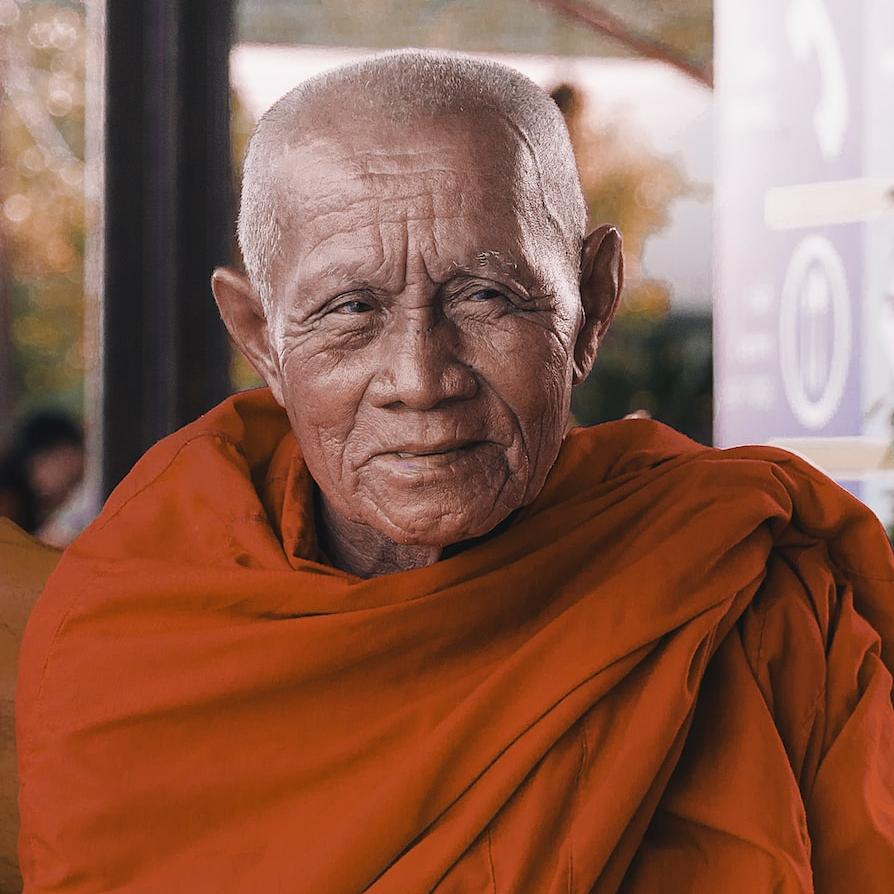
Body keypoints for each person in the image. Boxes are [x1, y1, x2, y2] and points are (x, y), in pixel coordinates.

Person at [16, 51, 894, 892]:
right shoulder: (141, 637)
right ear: (260, 338)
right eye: (349, 309)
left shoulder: (751, 592)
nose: (422, 378)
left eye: (487, 296)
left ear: (591, 304)